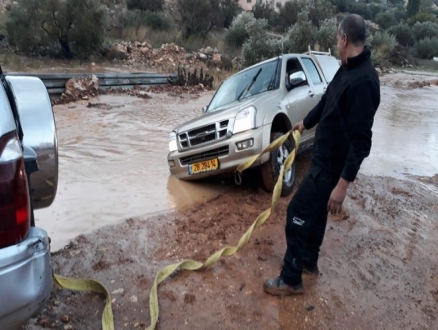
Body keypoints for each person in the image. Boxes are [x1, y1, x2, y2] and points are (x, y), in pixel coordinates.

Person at [263, 14, 381, 296]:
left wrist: (342, 186)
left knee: (295, 213)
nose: (336, 43)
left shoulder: (365, 81)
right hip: (322, 159)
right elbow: (327, 101)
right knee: (314, 215)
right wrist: (305, 122)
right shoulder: (347, 70)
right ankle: (308, 262)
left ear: (343, 39)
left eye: (336, 38)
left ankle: (291, 278)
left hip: (331, 167)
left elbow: (362, 141)